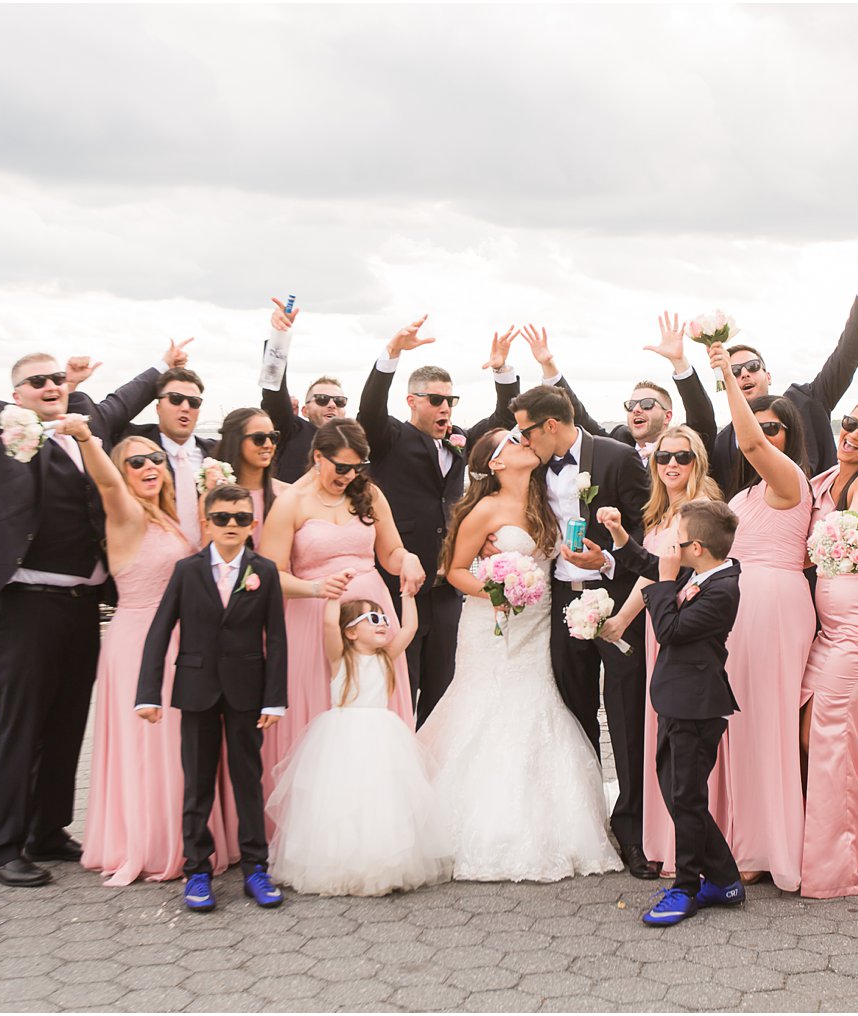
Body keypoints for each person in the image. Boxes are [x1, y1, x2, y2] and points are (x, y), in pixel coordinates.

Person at [0, 320, 178, 887]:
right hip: (24, 600)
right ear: (18, 395)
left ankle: (47, 830)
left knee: (65, 720)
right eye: (38, 381)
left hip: (83, 602)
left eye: (56, 378)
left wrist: (163, 368)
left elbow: (122, 398)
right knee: (20, 723)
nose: (51, 386)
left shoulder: (89, 426)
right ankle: (1, 848)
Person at [418, 428, 622, 881]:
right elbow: (452, 569)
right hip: (494, 623)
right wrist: (493, 592)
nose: (523, 441)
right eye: (512, 440)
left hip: (538, 621)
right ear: (495, 463)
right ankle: (475, 822)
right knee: (488, 706)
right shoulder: (483, 509)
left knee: (536, 703)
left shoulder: (544, 501)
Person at [64, 423, 243, 886]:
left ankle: (190, 837)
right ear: (123, 473)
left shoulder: (165, 518)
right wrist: (87, 439)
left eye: (156, 460)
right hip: (142, 640)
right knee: (153, 745)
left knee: (188, 744)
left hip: (180, 640)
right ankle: (154, 842)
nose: (149, 467)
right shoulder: (125, 513)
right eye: (136, 462)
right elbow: (104, 480)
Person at [509, 384, 655, 878]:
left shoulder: (616, 458)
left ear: (550, 425)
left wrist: (609, 558)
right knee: (574, 715)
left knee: (626, 712)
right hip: (561, 603)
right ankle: (588, 823)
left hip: (616, 599)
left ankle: (634, 832)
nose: (521, 440)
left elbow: (645, 529)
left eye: (526, 430)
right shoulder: (531, 467)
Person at [256, 419, 426, 814]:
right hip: (313, 620)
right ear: (318, 457)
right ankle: (319, 821)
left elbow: (391, 554)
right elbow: (270, 574)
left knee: (374, 710)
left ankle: (378, 817)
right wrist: (316, 588)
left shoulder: (369, 495)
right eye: (341, 467)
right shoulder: (291, 503)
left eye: (358, 467)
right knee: (321, 714)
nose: (350, 476)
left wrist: (410, 560)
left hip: (373, 619)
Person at [358, 318, 521, 726]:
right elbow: (369, 409)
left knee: (443, 688)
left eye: (450, 400)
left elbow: (505, 420)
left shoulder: (462, 439)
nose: (445, 407)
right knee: (400, 683)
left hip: (447, 587)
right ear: (412, 401)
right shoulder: (389, 438)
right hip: (401, 585)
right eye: (435, 399)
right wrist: (391, 354)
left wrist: (503, 372)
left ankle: (431, 774)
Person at [135, 485, 288, 912]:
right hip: (197, 691)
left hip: (247, 692)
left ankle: (256, 868)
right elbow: (160, 631)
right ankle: (197, 869)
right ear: (206, 523)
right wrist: (148, 693)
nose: (231, 525)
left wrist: (274, 699)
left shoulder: (265, 571)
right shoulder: (186, 570)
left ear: (253, 524)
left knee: (248, 782)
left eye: (241, 518)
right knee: (197, 784)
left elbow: (276, 638)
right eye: (222, 518)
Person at [703, 342, 816, 890]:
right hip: (739, 604)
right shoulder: (748, 492)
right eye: (760, 427)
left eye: (776, 429)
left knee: (764, 724)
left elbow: (746, 439)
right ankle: (735, 832)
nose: (764, 436)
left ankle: (765, 845)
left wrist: (725, 371)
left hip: (771, 602)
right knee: (738, 722)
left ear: (788, 438)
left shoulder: (788, 480)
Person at [604, 500, 745, 926]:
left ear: (696, 547)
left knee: (685, 797)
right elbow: (648, 563)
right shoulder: (700, 571)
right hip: (676, 701)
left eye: (676, 540)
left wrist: (665, 582)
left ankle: (687, 887)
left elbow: (669, 632)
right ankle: (724, 878)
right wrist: (619, 538)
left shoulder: (723, 589)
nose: (670, 547)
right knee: (680, 795)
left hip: (696, 707)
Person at [595, 426, 723, 876]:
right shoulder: (661, 510)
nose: (672, 464)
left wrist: (622, 619)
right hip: (659, 625)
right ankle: (662, 837)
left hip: (680, 631)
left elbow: (663, 574)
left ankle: (685, 848)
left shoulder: (698, 509)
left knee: (678, 741)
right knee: (660, 735)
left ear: (698, 462)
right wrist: (622, 620)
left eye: (682, 457)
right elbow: (651, 578)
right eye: (664, 456)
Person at [267, 596, 452, 896]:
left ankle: (381, 862)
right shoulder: (340, 658)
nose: (382, 624)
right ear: (350, 632)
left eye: (383, 619)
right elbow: (329, 623)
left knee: (381, 799)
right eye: (373, 619)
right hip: (343, 737)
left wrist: (407, 596)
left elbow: (410, 628)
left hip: (382, 737)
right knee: (343, 798)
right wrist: (330, 593)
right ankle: (341, 863)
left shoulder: (385, 658)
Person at [798, 393, 858, 899]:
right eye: (850, 422)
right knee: (805, 729)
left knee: (826, 734)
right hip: (825, 632)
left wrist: (850, 526)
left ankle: (852, 858)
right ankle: (826, 841)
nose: (853, 433)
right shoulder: (822, 481)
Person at [712, 241, 858, 495]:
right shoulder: (723, 442)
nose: (744, 374)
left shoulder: (808, 401)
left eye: (752, 366)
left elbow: (847, 355)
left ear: (767, 375)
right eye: (735, 371)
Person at [555, 313, 718, 463]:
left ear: (667, 416)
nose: (636, 410)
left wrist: (679, 362)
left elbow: (702, 418)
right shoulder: (620, 441)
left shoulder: (684, 447)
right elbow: (581, 419)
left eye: (647, 404)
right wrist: (550, 369)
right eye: (631, 405)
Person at [117, 366, 216, 546]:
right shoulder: (133, 443)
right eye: (176, 399)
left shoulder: (217, 451)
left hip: (205, 564)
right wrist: (161, 365)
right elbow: (110, 414)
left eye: (194, 402)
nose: (185, 407)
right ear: (158, 407)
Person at [261, 298, 352, 483]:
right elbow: (274, 394)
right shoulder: (291, 431)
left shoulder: (352, 442)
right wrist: (279, 336)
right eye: (322, 399)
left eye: (339, 401)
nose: (332, 405)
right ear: (305, 410)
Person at [214, 407, 290, 549]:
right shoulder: (214, 495)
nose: (268, 445)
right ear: (236, 441)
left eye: (273, 437)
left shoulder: (287, 494)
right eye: (259, 439)